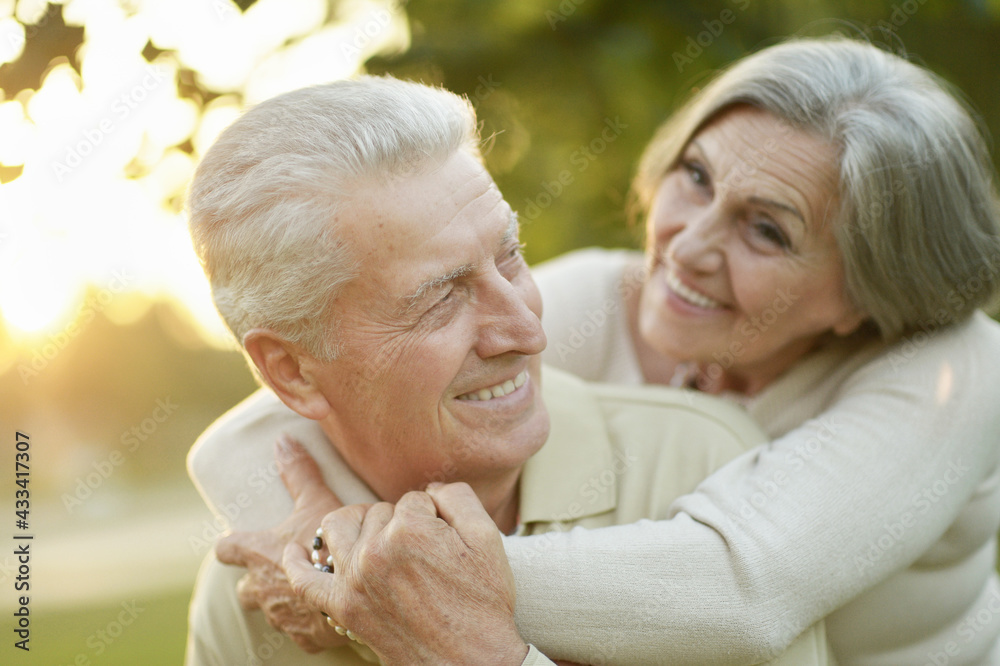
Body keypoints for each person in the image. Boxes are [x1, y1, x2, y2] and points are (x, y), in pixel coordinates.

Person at [277, 36, 1000, 665]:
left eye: (767, 231)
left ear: (872, 290)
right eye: (697, 177)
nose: (686, 246)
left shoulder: (956, 370)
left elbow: (738, 589)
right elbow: (275, 416)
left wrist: (380, 575)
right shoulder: (602, 298)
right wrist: (321, 550)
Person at [182, 76, 832, 665]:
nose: (527, 330)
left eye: (511, 256)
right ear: (291, 370)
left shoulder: (704, 469)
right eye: (439, 296)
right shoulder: (258, 588)